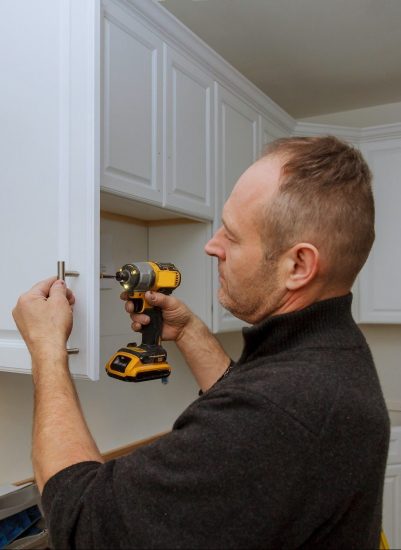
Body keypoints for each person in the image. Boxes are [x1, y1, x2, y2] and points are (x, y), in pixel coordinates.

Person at [13, 136, 390, 549]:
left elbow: (84, 522)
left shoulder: (282, 409)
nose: (212, 247)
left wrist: (47, 351)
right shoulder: (331, 354)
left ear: (298, 265)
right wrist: (190, 332)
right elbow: (255, 396)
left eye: (231, 234)